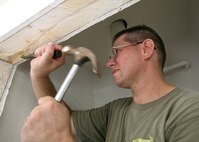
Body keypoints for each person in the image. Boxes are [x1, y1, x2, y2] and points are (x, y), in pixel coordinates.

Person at [21, 25, 199, 142]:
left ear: (146, 49)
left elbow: (58, 131)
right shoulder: (114, 111)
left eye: (116, 52)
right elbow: (59, 120)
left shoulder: (190, 109)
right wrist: (39, 75)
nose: (109, 63)